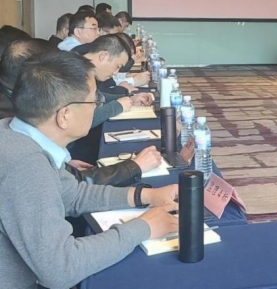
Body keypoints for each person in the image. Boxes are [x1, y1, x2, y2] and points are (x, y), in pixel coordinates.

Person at [0, 51, 179, 289]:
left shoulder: (13, 132)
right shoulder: (26, 165)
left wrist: (146, 195)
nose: (97, 107)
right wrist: (143, 228)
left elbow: (73, 195)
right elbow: (61, 269)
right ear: (64, 115)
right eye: (94, 100)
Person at [0, 40, 159, 185]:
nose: (96, 106)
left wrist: (65, 166)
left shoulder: (17, 126)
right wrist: (133, 167)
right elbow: (70, 193)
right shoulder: (28, 166)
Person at [72, 35, 154, 162]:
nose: (116, 73)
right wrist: (117, 106)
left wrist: (130, 98)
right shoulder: (73, 72)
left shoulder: (81, 65)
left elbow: (98, 96)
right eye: (117, 66)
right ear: (104, 56)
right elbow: (82, 120)